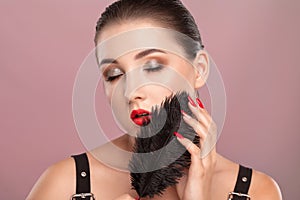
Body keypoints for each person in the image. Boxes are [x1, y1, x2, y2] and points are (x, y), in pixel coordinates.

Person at [26, 0, 282, 199]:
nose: (130, 92)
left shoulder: (255, 191)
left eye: (152, 66)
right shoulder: (66, 184)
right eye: (114, 75)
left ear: (200, 69)